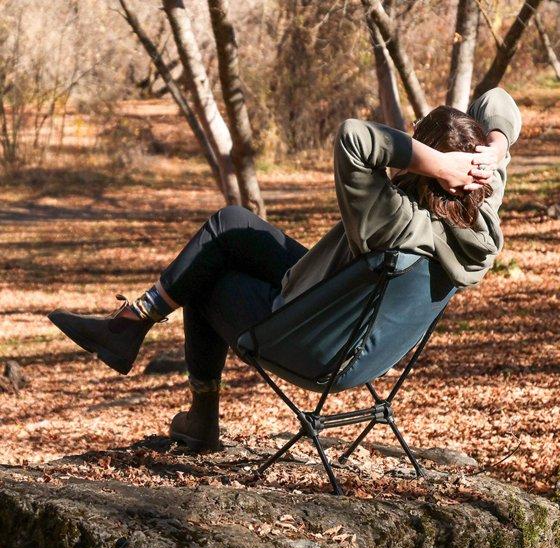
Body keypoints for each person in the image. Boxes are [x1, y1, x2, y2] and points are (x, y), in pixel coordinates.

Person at [48, 87, 522, 451]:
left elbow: (355, 137)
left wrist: (438, 162)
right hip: (358, 333)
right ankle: (132, 323)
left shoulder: (393, 219)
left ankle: (199, 414)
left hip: (313, 338)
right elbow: (497, 100)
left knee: (205, 279)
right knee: (231, 224)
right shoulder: (481, 217)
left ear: (433, 168)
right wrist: (495, 151)